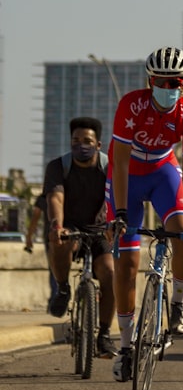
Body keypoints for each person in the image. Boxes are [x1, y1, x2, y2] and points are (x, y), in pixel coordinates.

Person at [107, 47, 183, 382]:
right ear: (150, 81)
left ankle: (178, 303)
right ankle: (125, 347)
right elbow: (119, 162)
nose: (169, 87)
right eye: (161, 81)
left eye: (175, 82)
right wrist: (120, 212)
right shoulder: (131, 105)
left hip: (164, 171)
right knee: (127, 265)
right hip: (127, 177)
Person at [42, 117, 118, 358]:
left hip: (99, 230)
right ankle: (63, 288)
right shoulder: (58, 166)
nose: (81, 146)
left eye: (87, 141)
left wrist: (115, 225)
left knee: (110, 274)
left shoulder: (109, 168)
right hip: (70, 226)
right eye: (76, 141)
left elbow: (118, 198)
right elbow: (56, 198)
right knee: (60, 240)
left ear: (98, 145)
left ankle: (104, 335)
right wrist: (57, 225)